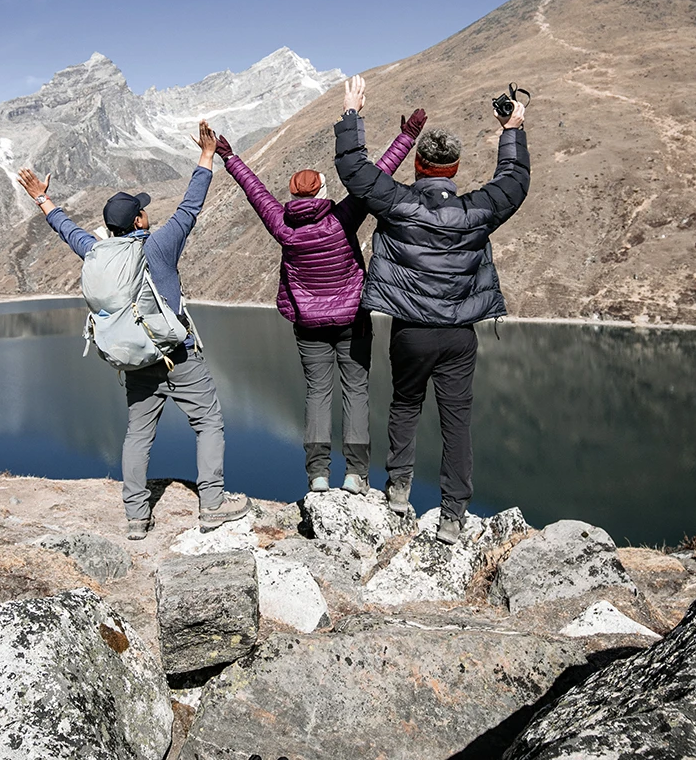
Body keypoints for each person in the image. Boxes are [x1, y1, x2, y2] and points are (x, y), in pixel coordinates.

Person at [17, 120, 247, 540]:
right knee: (209, 421)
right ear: (139, 220)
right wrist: (206, 156)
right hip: (177, 354)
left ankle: (136, 518)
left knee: (138, 433)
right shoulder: (158, 245)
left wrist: (42, 199)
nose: (147, 211)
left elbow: (66, 229)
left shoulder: (95, 250)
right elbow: (190, 205)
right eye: (142, 208)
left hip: (133, 357)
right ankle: (212, 505)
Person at [333, 74, 529, 544]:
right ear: (456, 167)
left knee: (405, 404)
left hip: (411, 332)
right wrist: (513, 129)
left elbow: (356, 171)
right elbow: (514, 180)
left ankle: (398, 490)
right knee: (456, 420)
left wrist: (352, 114)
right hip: (460, 334)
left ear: (418, 164)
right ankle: (453, 516)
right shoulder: (476, 211)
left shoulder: (398, 204)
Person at [214, 96, 426, 494]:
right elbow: (377, 175)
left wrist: (229, 156)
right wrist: (407, 136)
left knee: (316, 394)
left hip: (308, 325)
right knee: (357, 391)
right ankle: (357, 475)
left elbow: (254, 190)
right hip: (353, 321)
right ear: (324, 191)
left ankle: (317, 474)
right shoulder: (343, 216)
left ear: (293, 197)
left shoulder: (283, 225)